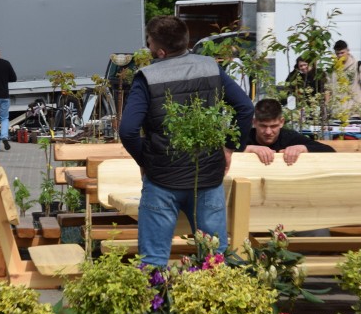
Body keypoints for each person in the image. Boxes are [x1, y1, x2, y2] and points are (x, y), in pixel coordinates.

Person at [119, 16, 254, 267]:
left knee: (153, 262)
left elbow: (127, 130)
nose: (147, 47)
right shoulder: (211, 67)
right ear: (185, 40)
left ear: (159, 50)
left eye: (148, 43)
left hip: (161, 180)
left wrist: (146, 160)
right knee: (214, 259)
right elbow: (245, 108)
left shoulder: (146, 78)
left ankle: (154, 306)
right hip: (208, 176)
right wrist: (228, 147)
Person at [246, 98, 334, 165]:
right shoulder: (244, 137)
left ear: (281, 122)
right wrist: (249, 149)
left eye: (274, 126)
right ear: (254, 123)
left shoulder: (289, 137)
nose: (268, 132)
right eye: (263, 126)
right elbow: (232, 148)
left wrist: (302, 148)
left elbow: (330, 151)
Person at [329, 40, 361, 107]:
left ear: (348, 51)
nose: (340, 55)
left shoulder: (357, 65)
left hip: (354, 111)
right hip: (337, 111)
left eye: (342, 53)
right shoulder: (333, 69)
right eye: (338, 54)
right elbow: (329, 89)